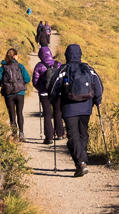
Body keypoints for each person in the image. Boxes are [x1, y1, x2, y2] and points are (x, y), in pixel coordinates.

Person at [54, 44, 103, 177]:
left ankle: (80, 163)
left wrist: (53, 101)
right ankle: (83, 161)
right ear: (80, 54)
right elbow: (98, 85)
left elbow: (53, 87)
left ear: (67, 55)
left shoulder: (63, 69)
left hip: (69, 107)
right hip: (86, 107)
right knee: (83, 134)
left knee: (73, 135)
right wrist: (98, 100)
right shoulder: (88, 69)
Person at [0, 48, 30, 142]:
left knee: (12, 114)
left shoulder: (3, 67)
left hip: (8, 94)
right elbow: (27, 79)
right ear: (15, 56)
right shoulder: (20, 66)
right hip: (20, 93)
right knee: (20, 113)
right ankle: (21, 133)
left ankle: (14, 135)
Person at [32, 46, 64, 144]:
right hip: (57, 92)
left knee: (47, 113)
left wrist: (40, 89)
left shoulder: (39, 66)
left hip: (44, 93)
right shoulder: (58, 64)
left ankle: (49, 137)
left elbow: (35, 81)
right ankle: (60, 134)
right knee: (58, 112)